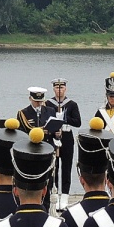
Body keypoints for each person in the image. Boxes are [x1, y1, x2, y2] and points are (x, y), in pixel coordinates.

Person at [15, 88, 57, 211]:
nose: (38, 104)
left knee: (48, 181)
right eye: (36, 101)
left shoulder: (50, 111)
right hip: (31, 152)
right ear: (30, 99)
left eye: (40, 101)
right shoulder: (23, 113)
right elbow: (21, 133)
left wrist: (57, 134)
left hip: (47, 150)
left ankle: (47, 207)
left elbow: (54, 130)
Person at [46, 78, 82, 211]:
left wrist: (65, 119)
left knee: (66, 167)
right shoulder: (48, 103)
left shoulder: (72, 104)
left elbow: (78, 122)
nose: (59, 90)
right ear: (53, 89)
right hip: (53, 136)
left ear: (65, 89)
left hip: (66, 136)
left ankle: (65, 196)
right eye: (56, 88)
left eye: (61, 88)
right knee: (53, 167)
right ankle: (53, 194)